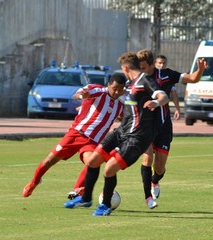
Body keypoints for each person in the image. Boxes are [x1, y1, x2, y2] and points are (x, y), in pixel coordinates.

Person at [64, 51, 169, 215]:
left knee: (109, 169)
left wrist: (156, 102)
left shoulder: (145, 81)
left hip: (137, 137)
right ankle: (85, 198)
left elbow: (163, 96)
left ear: (126, 68)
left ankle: (105, 205)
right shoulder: (129, 84)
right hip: (121, 131)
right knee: (92, 161)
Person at [22, 73, 126, 198]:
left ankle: (77, 189)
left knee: (93, 162)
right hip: (76, 134)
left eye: (120, 90)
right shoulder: (98, 91)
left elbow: (123, 118)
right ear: (109, 85)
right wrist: (82, 96)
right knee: (49, 161)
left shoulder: (120, 106)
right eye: (114, 89)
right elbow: (79, 94)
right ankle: (34, 181)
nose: (116, 92)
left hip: (93, 141)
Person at [137, 49, 207, 207]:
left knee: (160, 168)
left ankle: (155, 180)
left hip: (163, 127)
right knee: (147, 158)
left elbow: (192, 79)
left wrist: (200, 70)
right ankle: (148, 198)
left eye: (143, 67)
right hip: (145, 126)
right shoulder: (137, 78)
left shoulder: (166, 75)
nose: (140, 70)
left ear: (150, 65)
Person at [155, 55, 181, 120]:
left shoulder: (169, 75)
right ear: (155, 63)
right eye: (160, 63)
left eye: (164, 63)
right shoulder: (149, 75)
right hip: (151, 107)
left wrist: (177, 109)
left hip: (164, 107)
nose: (162, 65)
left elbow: (174, 94)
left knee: (165, 127)